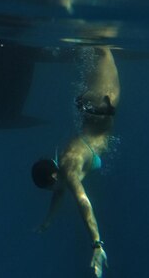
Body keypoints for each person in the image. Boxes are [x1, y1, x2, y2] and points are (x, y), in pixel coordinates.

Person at [31, 47, 120, 278]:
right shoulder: (60, 166)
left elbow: (84, 204)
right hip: (94, 113)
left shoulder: (69, 170)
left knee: (104, 52)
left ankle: (97, 35)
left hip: (104, 111)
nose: (53, 190)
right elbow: (59, 193)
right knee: (99, 54)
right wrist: (47, 222)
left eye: (50, 186)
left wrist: (97, 245)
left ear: (53, 177)